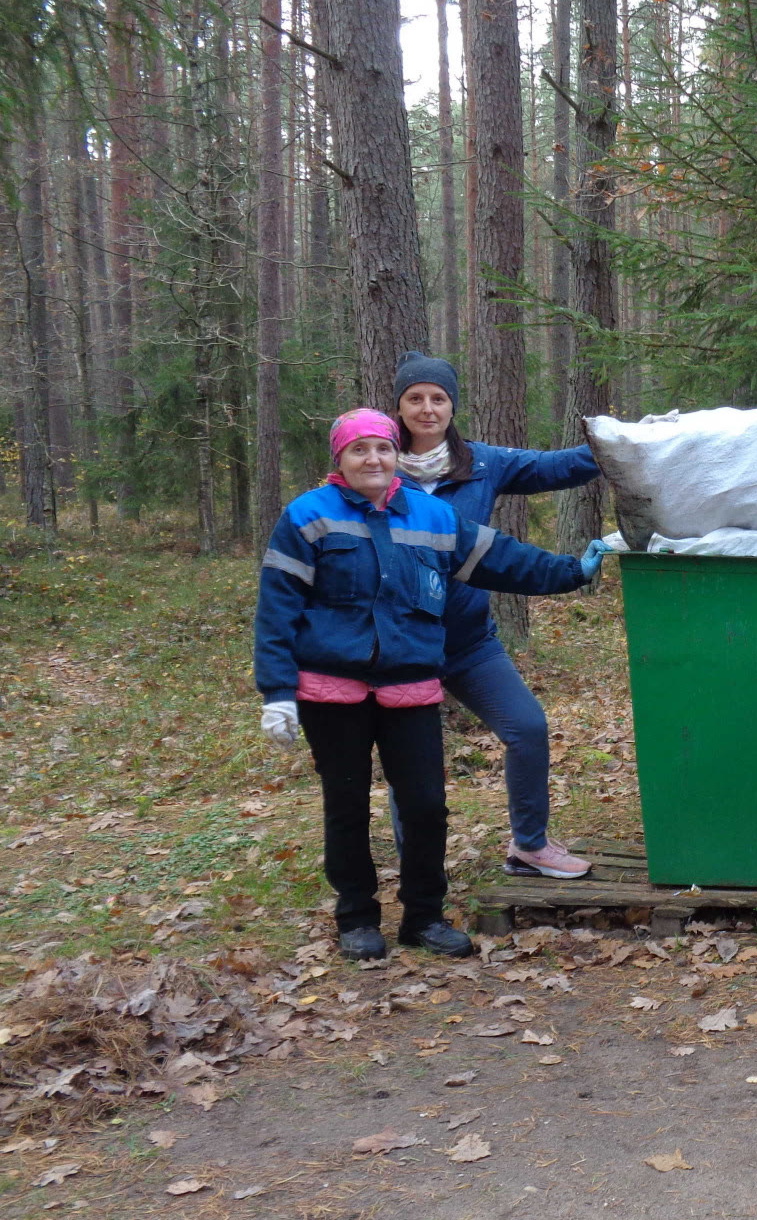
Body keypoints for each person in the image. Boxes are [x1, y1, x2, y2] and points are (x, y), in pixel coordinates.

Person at [254, 409, 606, 962]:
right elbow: (277, 609)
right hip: (332, 690)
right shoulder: (307, 516)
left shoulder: (432, 516)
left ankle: (424, 917)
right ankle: (357, 918)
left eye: (382, 449)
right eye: (359, 450)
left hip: (410, 687)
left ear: (396, 456)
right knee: (346, 806)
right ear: (339, 459)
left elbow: (502, 560)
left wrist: (573, 571)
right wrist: (277, 691)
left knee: (425, 806)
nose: (373, 459)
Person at [392, 352, 603, 878]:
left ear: (452, 406)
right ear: (398, 406)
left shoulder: (480, 463)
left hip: (467, 642)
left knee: (526, 727)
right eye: (415, 398)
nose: (427, 408)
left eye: (438, 398)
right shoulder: (376, 469)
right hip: (402, 644)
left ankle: (529, 845)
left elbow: (556, 467)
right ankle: (418, 867)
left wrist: (621, 444)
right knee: (413, 762)